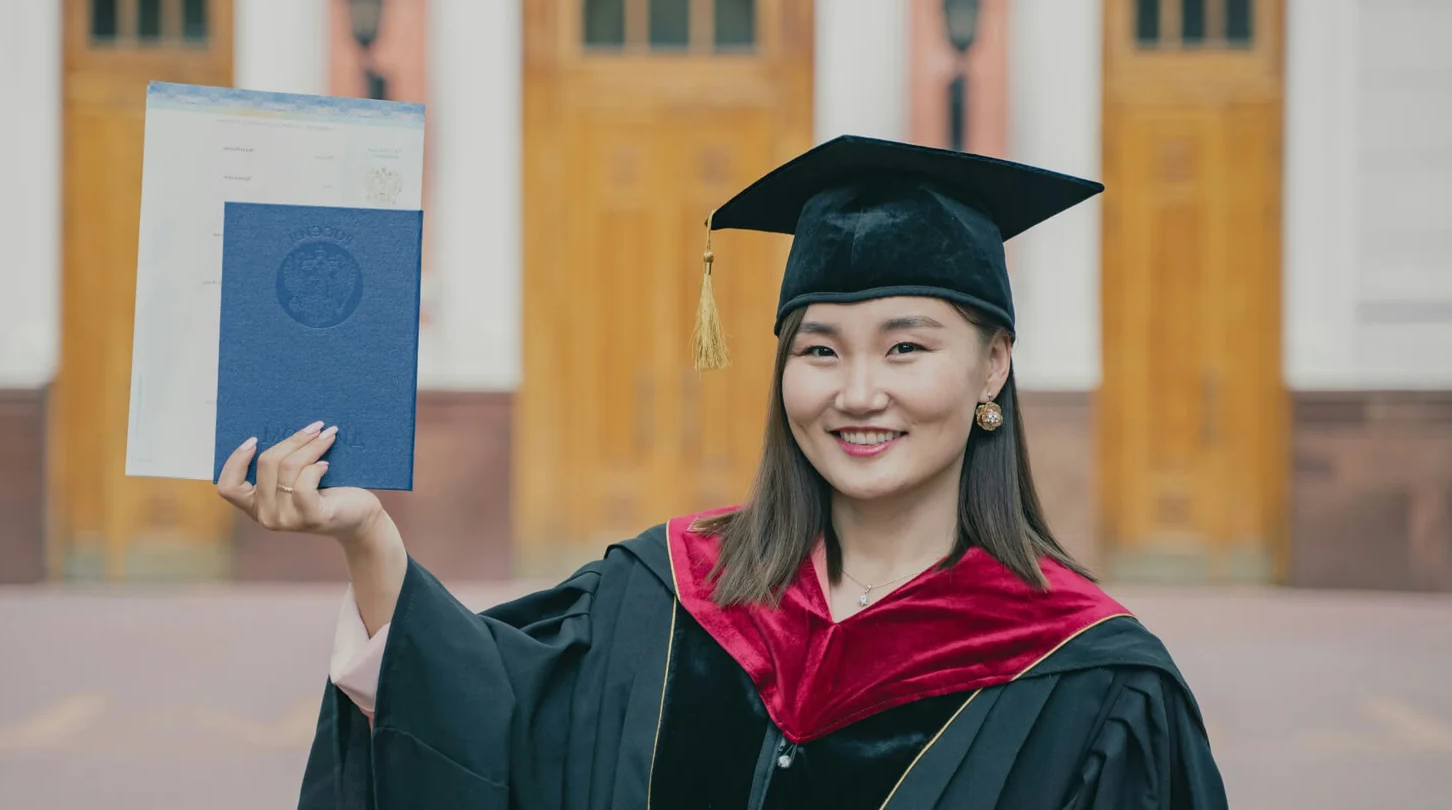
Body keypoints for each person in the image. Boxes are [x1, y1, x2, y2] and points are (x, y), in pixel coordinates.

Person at [217, 135, 1228, 809]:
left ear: (993, 365)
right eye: (819, 349)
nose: (858, 392)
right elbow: (489, 727)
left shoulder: (1093, 681)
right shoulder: (667, 593)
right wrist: (368, 538)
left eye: (906, 348)